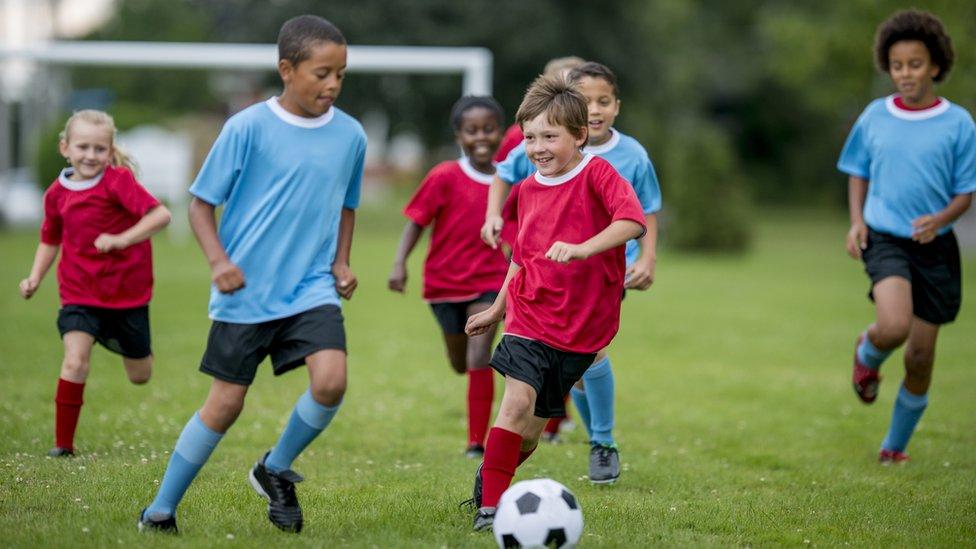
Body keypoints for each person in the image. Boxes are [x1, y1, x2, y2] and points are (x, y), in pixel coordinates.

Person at [138, 15, 366, 534]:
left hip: (311, 287)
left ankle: (275, 467)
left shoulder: (351, 135)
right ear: (287, 70)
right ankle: (159, 511)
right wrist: (220, 262)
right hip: (247, 292)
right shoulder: (246, 127)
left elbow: (347, 205)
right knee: (225, 405)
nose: (333, 84)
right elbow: (200, 206)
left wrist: (342, 261)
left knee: (331, 382)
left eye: (342, 74)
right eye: (322, 73)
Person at [463, 74, 646, 530]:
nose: (538, 147)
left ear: (579, 134)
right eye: (529, 137)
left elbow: (633, 222)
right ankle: (490, 509)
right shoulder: (527, 189)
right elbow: (521, 258)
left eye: (550, 136)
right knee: (515, 404)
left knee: (529, 433)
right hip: (529, 314)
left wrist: (585, 247)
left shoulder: (599, 174)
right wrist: (496, 308)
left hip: (582, 327)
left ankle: (491, 477)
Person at [838, 9, 975, 464]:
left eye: (914, 65)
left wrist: (941, 218)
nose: (905, 74)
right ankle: (868, 353)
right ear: (888, 66)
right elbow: (858, 170)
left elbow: (965, 192)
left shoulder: (958, 124)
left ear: (934, 65)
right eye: (897, 66)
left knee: (920, 357)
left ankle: (894, 448)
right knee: (894, 326)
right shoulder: (876, 116)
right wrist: (857, 220)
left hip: (936, 247)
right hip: (886, 238)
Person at [19, 110, 171, 458]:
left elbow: (161, 215)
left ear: (110, 149)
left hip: (126, 294)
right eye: (83, 146)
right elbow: (50, 239)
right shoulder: (56, 194)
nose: (91, 155)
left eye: (99, 149)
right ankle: (63, 445)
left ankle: (134, 346)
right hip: (79, 292)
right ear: (65, 148)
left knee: (140, 376)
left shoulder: (118, 181)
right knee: (74, 361)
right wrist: (34, 277)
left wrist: (121, 239)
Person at [388, 96, 509, 458]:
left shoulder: (510, 180)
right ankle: (473, 395)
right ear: (459, 135)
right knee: (460, 362)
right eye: (472, 130)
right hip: (444, 285)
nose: (482, 137)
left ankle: (476, 442)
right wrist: (399, 264)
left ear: (500, 132)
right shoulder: (444, 176)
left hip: (490, 281)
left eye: (489, 129)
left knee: (479, 353)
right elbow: (416, 222)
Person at [492, 56, 586, 164]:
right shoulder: (518, 135)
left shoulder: (599, 135)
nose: (565, 96)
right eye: (558, 90)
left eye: (573, 90)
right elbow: (499, 170)